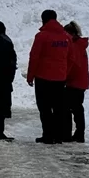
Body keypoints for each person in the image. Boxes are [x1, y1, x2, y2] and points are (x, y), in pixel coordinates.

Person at [25, 9, 71, 144]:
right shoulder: (66, 37)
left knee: (44, 108)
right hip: (60, 79)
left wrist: (30, 76)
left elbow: (34, 57)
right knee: (58, 108)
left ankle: (48, 135)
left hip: (43, 78)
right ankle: (58, 135)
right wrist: (65, 73)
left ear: (43, 19)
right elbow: (71, 58)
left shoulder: (42, 36)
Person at [64, 21, 89, 143]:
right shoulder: (80, 44)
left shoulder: (75, 45)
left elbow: (72, 64)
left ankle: (77, 133)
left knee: (73, 108)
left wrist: (64, 77)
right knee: (77, 108)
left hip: (74, 81)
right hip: (81, 80)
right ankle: (79, 133)